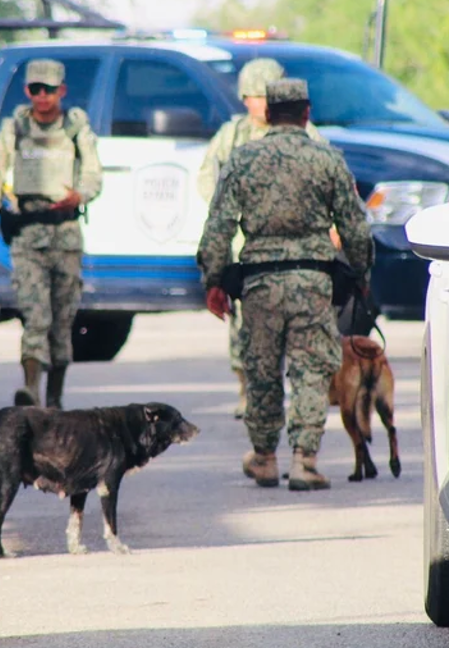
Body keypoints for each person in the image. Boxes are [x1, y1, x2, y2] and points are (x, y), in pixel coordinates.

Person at [196, 79, 374, 491]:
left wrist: (214, 280)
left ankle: (264, 457)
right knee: (311, 371)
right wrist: (362, 275)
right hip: (313, 283)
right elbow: (355, 229)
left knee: (261, 369)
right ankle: (304, 460)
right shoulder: (327, 159)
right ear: (306, 112)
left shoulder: (242, 159)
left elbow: (217, 227)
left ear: (269, 113)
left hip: (259, 283)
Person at [197, 58, 328, 420]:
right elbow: (208, 179)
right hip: (246, 246)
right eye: (256, 96)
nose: (263, 104)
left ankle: (282, 412)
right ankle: (248, 390)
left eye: (268, 96)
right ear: (245, 98)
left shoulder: (307, 135)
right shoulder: (234, 135)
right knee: (247, 329)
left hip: (298, 252)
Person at [0, 58, 103, 409]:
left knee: (62, 322)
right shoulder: (14, 129)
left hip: (66, 235)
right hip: (28, 236)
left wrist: (81, 194)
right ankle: (31, 390)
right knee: (34, 315)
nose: (42, 97)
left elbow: (93, 174)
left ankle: (55, 401)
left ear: (62, 91)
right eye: (35, 90)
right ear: (28, 91)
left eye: (49, 90)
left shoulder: (76, 129)